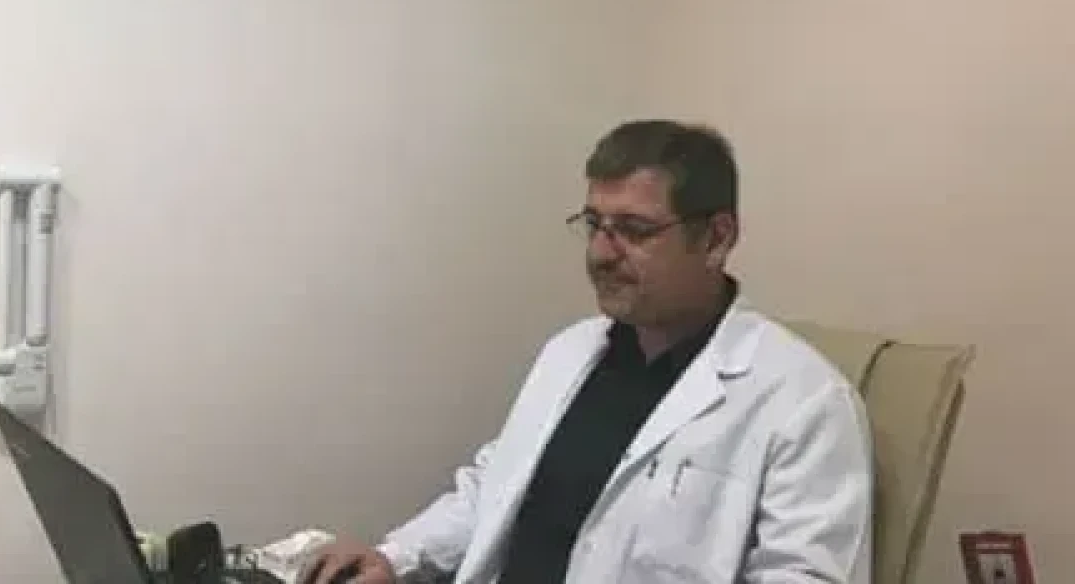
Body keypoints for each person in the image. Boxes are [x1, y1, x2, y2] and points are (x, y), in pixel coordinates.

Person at [301, 120, 874, 584]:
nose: (601, 252)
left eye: (634, 230)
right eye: (595, 224)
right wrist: (395, 558)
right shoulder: (571, 351)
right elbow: (493, 488)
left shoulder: (804, 402)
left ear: (716, 238)